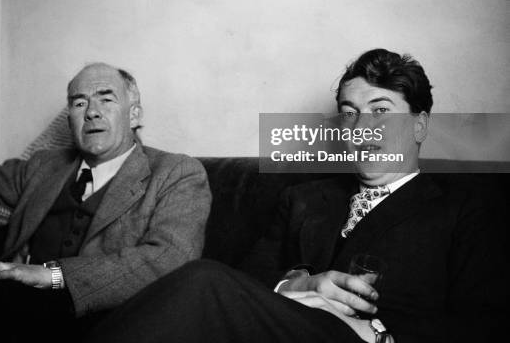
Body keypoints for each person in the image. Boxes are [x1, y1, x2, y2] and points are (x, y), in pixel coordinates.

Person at [80, 49, 505, 343]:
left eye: (381, 111)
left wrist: (380, 335)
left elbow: (486, 322)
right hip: (279, 332)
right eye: (350, 113)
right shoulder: (305, 198)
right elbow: (246, 281)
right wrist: (300, 283)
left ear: (419, 126)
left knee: (201, 278)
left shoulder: (465, 206)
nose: (361, 129)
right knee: (205, 281)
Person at [0, 62, 211, 340]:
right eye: (79, 102)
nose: (91, 111)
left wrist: (55, 276)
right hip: (9, 301)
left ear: (134, 114)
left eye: (106, 98)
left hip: (90, 317)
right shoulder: (45, 166)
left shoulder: (175, 172)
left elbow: (173, 257)